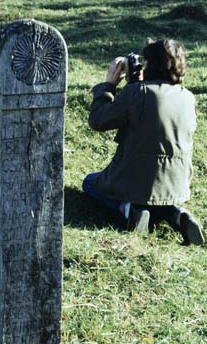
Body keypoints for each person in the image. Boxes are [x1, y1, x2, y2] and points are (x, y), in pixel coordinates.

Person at [83, 38, 204, 245]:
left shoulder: (137, 93)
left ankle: (132, 210)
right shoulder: (188, 97)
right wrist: (137, 86)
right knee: (160, 195)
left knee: (90, 182)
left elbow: (98, 121)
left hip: (133, 182)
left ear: (151, 65)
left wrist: (109, 85)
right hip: (177, 185)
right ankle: (178, 214)